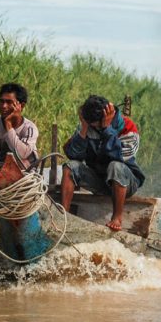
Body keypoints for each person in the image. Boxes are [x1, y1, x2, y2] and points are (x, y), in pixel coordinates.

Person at [60, 95, 145, 231]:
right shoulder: (89, 126)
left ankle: (117, 217)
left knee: (115, 166)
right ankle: (63, 215)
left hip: (125, 183)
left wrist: (107, 131)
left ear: (107, 117)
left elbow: (118, 157)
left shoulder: (128, 128)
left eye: (95, 125)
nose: (94, 128)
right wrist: (83, 129)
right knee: (70, 166)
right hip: (100, 180)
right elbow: (73, 154)